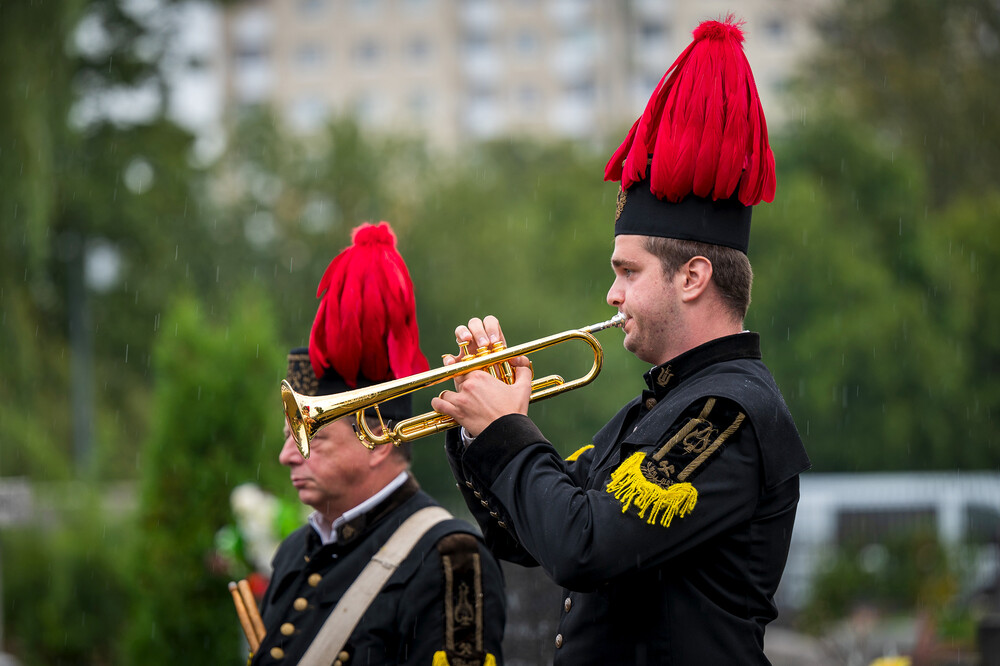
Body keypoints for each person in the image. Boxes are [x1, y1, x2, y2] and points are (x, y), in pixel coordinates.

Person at [431, 16, 810, 666]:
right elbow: (529, 542)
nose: (612, 295)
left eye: (628, 273)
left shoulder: (725, 415)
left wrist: (509, 432)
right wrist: (478, 431)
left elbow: (586, 547)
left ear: (692, 278)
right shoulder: (654, 411)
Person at [252, 222, 506, 666]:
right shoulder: (295, 550)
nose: (285, 455)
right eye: (288, 437)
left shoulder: (452, 558)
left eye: (311, 436)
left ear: (379, 441)